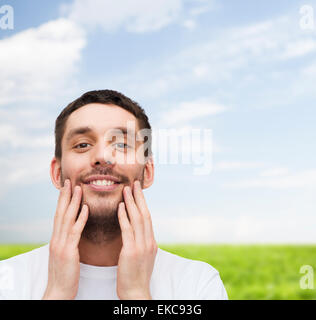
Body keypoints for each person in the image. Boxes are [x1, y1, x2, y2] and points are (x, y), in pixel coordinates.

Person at [0, 90, 228, 300]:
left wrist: (136, 294)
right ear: (57, 172)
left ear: (147, 172)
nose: (102, 156)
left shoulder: (197, 284)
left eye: (121, 144)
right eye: (82, 145)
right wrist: (57, 293)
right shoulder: (6, 280)